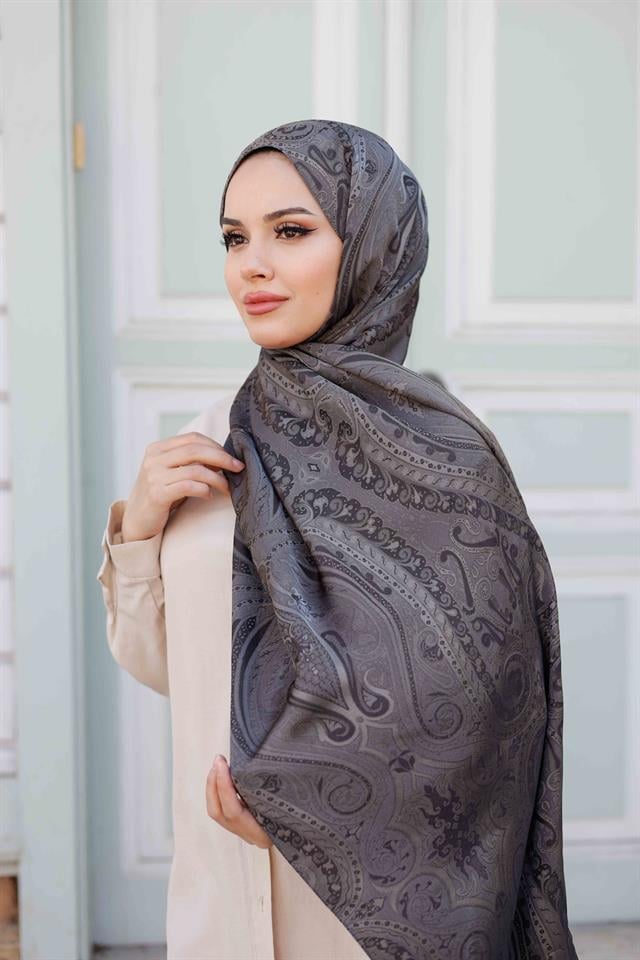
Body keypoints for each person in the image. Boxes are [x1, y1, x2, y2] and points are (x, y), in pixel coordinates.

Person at [98, 119, 579, 960]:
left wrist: (305, 811)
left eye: (290, 231)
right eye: (234, 238)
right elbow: (181, 671)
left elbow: (485, 724)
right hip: (221, 904)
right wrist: (138, 530)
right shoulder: (208, 443)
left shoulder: (450, 460)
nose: (252, 264)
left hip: (372, 917)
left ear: (372, 247)